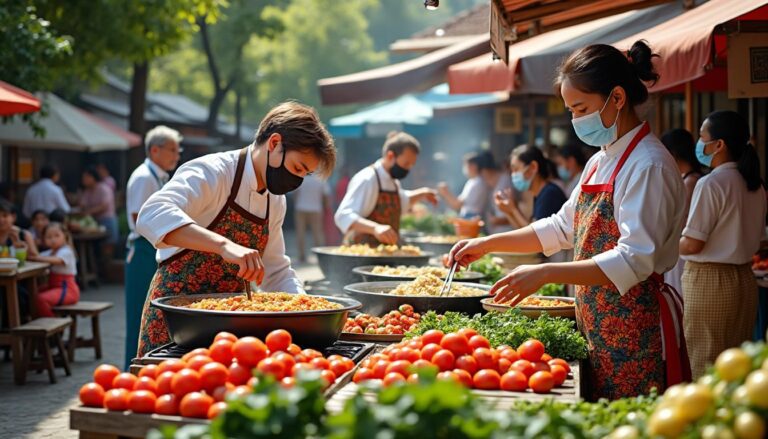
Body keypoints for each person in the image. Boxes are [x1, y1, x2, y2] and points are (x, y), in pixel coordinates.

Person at [448, 41, 690, 401]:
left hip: (634, 324)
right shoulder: (599, 160)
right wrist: (487, 244)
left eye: (582, 109)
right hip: (595, 318)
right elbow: (561, 227)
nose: (576, 120)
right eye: (572, 111)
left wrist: (546, 273)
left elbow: (634, 259)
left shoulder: (648, 165)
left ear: (617, 98)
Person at [135, 102, 336, 357]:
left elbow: (275, 271)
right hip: (177, 325)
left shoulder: (275, 201)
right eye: (297, 168)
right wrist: (224, 245)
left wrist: (308, 309)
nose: (297, 180)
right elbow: (152, 213)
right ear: (274, 143)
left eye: (304, 175)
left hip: (232, 330)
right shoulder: (214, 171)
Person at [679, 111, 766, 379]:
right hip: (744, 279)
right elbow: (761, 240)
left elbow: (693, 244)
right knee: (735, 366)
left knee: (704, 361)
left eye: (702, 137)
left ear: (719, 145)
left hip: (709, 281)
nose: (699, 144)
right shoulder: (756, 185)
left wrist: (667, 242)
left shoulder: (711, 183)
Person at [123, 125, 182, 368]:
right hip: (143, 249)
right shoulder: (144, 177)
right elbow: (139, 218)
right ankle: (132, 369)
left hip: (152, 247)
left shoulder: (159, 176)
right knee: (140, 315)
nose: (176, 155)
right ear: (155, 150)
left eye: (178, 150)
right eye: (172, 150)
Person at [334, 132, 437, 245]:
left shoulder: (393, 181)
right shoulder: (368, 179)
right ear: (390, 156)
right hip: (361, 251)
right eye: (406, 164)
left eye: (411, 165)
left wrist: (423, 193)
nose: (408, 169)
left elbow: (402, 200)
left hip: (386, 251)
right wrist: (375, 228)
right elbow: (343, 216)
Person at [661, 128, 703, 296]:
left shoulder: (690, 182)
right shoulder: (688, 179)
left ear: (673, 153)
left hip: (683, 251)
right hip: (680, 249)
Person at [495, 145, 568, 231]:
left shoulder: (550, 194)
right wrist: (508, 211)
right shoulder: (539, 195)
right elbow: (522, 231)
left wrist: (513, 209)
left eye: (516, 169)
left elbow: (536, 234)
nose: (513, 175)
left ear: (533, 167)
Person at [30, 223, 79, 317]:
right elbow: (37, 256)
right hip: (53, 287)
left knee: (41, 299)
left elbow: (57, 260)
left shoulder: (67, 251)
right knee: (31, 294)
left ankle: (53, 322)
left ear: (65, 236)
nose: (53, 239)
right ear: (44, 239)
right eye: (49, 237)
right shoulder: (48, 253)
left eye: (57, 236)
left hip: (67, 289)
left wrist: (36, 258)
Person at [437, 152, 489, 219]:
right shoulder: (472, 182)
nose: (464, 168)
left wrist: (445, 192)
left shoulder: (477, 183)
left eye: (466, 165)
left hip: (471, 218)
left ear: (474, 166)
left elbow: (457, 205)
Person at [293, 174, 330, 262]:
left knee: (300, 233)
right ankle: (320, 256)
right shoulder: (321, 179)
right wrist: (326, 208)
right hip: (316, 209)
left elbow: (295, 194)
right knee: (317, 233)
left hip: (301, 208)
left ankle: (302, 256)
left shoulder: (301, 178)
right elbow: (326, 196)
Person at [80, 166, 119, 245]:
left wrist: (88, 212)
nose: (83, 180)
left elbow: (104, 206)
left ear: (92, 177)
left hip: (107, 220)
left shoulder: (104, 189)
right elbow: (82, 205)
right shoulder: (87, 191)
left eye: (85, 177)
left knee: (108, 245)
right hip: (95, 222)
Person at [478, 153, 513, 235]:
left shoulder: (505, 182)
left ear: (485, 171)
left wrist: (497, 220)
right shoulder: (491, 187)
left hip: (508, 232)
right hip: (498, 233)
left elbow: (513, 211)